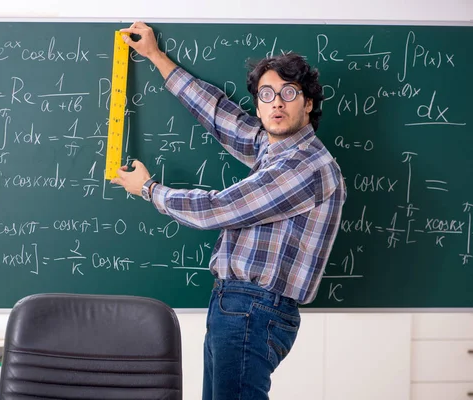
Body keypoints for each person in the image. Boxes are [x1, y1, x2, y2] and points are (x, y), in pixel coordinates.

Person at [110, 21, 347, 400]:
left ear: (309, 103)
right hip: (238, 307)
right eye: (267, 94)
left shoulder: (305, 166)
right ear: (259, 104)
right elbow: (221, 117)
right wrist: (156, 57)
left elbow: (220, 208)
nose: (277, 102)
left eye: (289, 92)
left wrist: (150, 190)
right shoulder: (274, 149)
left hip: (254, 309)